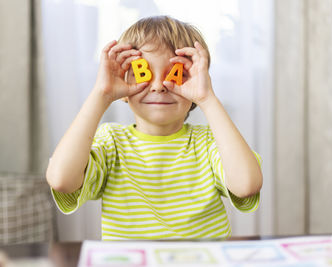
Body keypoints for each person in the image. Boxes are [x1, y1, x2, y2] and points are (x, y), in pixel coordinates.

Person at [46, 16, 263, 240]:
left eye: (175, 74)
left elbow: (247, 185)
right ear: (123, 80)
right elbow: (62, 180)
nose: (159, 86)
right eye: (144, 73)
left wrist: (207, 98)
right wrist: (101, 94)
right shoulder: (112, 142)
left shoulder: (208, 143)